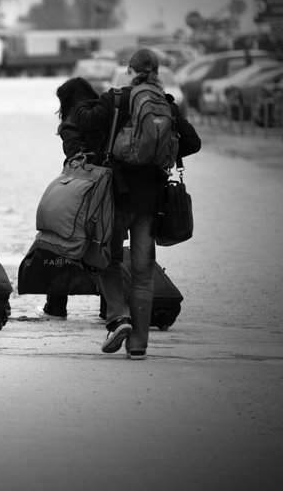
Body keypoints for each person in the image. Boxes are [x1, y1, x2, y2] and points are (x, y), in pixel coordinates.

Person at [71, 49, 201, 359]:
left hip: (117, 193)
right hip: (151, 199)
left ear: (130, 71)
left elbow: (84, 122)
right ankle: (139, 344)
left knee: (105, 258)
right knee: (143, 271)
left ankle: (119, 316)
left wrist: (81, 104)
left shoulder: (118, 98)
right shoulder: (166, 103)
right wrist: (166, 150)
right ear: (156, 71)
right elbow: (193, 142)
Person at [33, 77, 103, 321]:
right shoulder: (104, 113)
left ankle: (56, 305)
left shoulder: (71, 124)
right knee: (103, 245)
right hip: (109, 188)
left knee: (61, 242)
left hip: (82, 190)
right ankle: (109, 308)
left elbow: (76, 158)